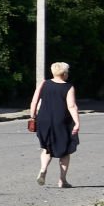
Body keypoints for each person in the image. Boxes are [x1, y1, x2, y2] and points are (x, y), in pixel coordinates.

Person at [31, 61, 81, 189]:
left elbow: (35, 100)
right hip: (62, 121)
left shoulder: (44, 83)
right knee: (65, 150)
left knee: (47, 147)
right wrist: (77, 122)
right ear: (64, 74)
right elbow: (71, 106)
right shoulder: (68, 87)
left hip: (44, 119)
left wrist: (33, 116)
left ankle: (43, 170)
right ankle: (62, 180)